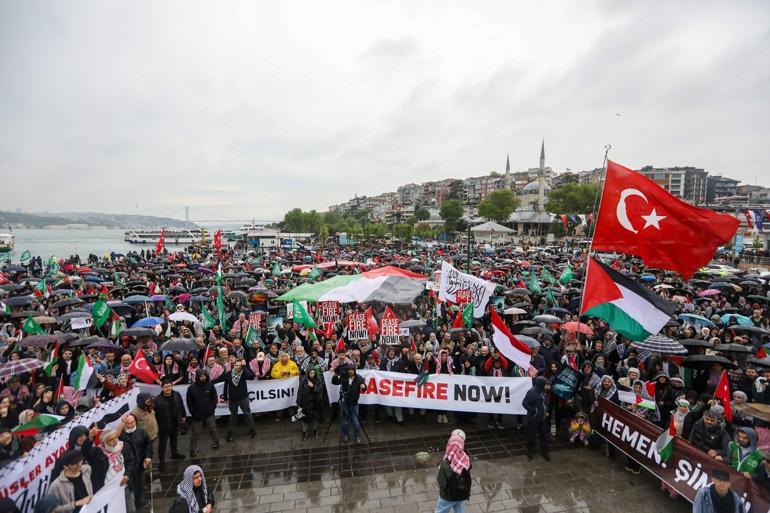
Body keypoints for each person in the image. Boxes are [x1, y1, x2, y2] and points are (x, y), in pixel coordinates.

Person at [215, 358, 256, 441]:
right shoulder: (229, 374)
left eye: (239, 366)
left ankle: (252, 430)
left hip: (243, 398)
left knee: (247, 414)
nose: (238, 367)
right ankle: (230, 432)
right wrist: (226, 397)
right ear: (234, 365)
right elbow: (225, 385)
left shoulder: (244, 373)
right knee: (233, 416)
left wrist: (244, 367)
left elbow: (251, 376)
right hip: (233, 399)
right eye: (236, 365)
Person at [119, 414, 153, 509]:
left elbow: (148, 445)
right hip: (128, 467)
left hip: (140, 464)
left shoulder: (141, 432)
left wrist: (148, 457)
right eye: (128, 423)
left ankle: (140, 501)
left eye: (133, 422)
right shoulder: (120, 435)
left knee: (140, 483)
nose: (131, 425)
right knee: (131, 487)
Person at [434, 429, 471, 513]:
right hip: (461, 494)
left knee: (441, 510)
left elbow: (441, 481)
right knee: (460, 511)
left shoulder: (445, 464)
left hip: (447, 496)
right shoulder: (465, 459)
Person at [99, 429, 134, 513]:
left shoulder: (123, 446)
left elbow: (131, 461)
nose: (115, 441)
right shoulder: (99, 454)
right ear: (104, 443)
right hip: (109, 490)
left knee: (131, 510)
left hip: (125, 486)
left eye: (116, 438)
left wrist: (127, 475)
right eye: (111, 439)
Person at [186, 369, 220, 457]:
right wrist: (193, 412)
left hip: (209, 413)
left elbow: (214, 397)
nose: (203, 378)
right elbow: (189, 402)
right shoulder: (191, 388)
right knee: (195, 432)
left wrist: (212, 407)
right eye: (201, 376)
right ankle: (193, 449)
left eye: (204, 376)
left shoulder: (210, 385)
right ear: (197, 377)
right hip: (197, 415)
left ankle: (215, 442)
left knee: (212, 429)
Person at [154, 379, 187, 471]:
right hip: (163, 425)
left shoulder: (177, 394)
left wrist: (183, 416)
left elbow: (181, 405)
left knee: (174, 439)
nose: (168, 388)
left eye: (169, 386)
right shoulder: (157, 400)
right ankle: (161, 462)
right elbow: (154, 414)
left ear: (172, 386)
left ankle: (174, 453)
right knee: (162, 444)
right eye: (166, 387)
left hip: (175, 422)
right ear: (162, 388)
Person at [331, 365, 366, 443]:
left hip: (354, 403)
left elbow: (364, 387)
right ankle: (345, 435)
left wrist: (364, 386)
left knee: (355, 422)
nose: (350, 371)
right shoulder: (344, 377)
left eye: (352, 370)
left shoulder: (358, 378)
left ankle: (357, 435)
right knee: (345, 421)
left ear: (354, 370)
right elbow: (334, 382)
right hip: (344, 403)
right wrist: (335, 375)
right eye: (349, 370)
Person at [523, 376, 550, 461]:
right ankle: (529, 451)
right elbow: (524, 403)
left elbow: (544, 402)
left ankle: (545, 451)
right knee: (531, 435)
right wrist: (534, 411)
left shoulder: (542, 391)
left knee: (544, 435)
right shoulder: (532, 392)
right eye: (545, 384)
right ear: (541, 384)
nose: (546, 386)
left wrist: (546, 410)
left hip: (543, 418)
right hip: (533, 418)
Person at [296, 367, 322, 440]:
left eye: (313, 373)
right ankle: (305, 432)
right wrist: (298, 403)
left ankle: (315, 430)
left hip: (315, 402)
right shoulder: (304, 380)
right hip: (305, 402)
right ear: (308, 373)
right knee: (304, 418)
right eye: (310, 373)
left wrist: (313, 386)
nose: (312, 375)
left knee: (315, 418)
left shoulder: (318, 379)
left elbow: (320, 390)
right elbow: (299, 391)